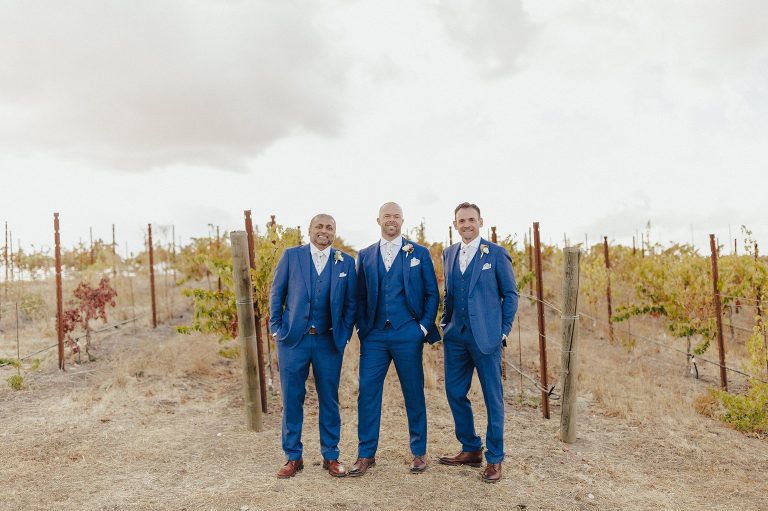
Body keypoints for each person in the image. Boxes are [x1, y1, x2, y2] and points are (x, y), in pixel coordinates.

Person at [350, 202, 440, 476]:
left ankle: (418, 452)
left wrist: (421, 328)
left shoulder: (419, 253)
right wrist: (363, 328)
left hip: (407, 333)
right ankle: (366, 454)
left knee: (413, 392)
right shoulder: (365, 255)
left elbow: (432, 294)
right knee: (367, 393)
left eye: (396, 216)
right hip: (374, 336)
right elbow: (360, 296)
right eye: (387, 216)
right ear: (378, 220)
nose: (391, 220)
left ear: (402, 220)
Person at [269, 213, 357, 479]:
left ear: (334, 232)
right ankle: (293, 457)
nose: (324, 231)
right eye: (319, 226)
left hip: (328, 341)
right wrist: (277, 329)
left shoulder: (346, 262)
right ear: (309, 230)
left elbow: (351, 303)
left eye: (329, 227)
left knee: (329, 399)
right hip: (293, 341)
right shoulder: (291, 256)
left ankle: (331, 456)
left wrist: (344, 335)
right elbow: (277, 293)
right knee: (292, 399)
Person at [438, 202, 518, 483]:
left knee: (492, 398)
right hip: (456, 337)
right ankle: (471, 447)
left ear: (480, 222)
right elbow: (449, 292)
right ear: (455, 225)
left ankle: (495, 458)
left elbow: (511, 295)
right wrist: (445, 323)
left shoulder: (495, 253)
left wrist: (502, 331)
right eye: (461, 221)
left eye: (471, 220)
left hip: (487, 338)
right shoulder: (448, 253)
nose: (467, 224)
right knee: (454, 392)